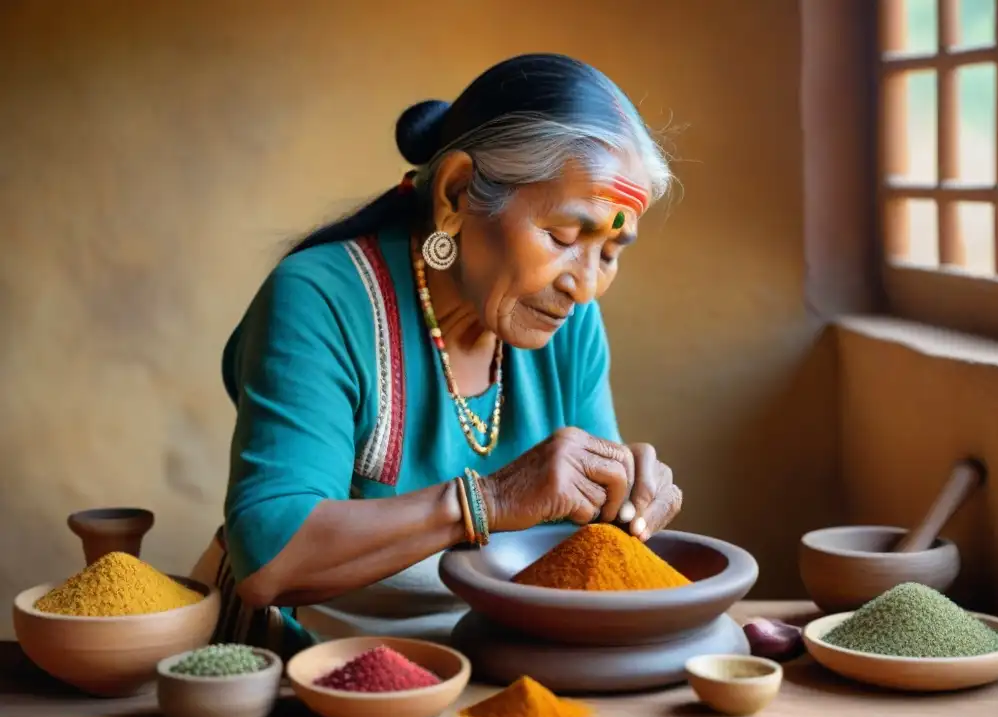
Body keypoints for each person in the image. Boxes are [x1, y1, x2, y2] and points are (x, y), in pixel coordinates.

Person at [189, 52, 684, 657]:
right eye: (562, 237)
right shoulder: (321, 299)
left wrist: (622, 499)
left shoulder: (572, 324)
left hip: (499, 657)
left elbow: (586, 542)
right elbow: (271, 558)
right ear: (455, 193)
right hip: (318, 667)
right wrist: (492, 500)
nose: (584, 285)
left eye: (610, 252)